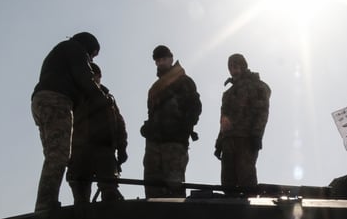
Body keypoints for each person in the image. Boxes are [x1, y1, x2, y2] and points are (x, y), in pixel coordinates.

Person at [31, 31, 103, 212]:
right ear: (89, 48)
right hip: (57, 101)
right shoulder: (76, 50)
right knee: (59, 156)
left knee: (53, 155)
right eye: (93, 56)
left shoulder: (62, 50)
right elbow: (84, 76)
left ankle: (44, 202)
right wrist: (101, 97)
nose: (92, 61)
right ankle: (45, 205)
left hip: (41, 102)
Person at [140, 44, 202, 198]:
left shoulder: (184, 81)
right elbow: (152, 114)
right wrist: (148, 127)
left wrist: (184, 130)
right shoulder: (154, 89)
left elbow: (195, 107)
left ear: (171, 59)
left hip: (174, 142)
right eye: (157, 60)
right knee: (152, 185)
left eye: (163, 59)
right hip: (154, 143)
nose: (160, 63)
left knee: (174, 188)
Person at [67, 62, 128, 205]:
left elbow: (119, 124)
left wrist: (122, 148)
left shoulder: (109, 99)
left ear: (99, 77)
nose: (93, 80)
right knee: (80, 197)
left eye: (95, 76)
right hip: (79, 152)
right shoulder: (75, 96)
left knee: (110, 194)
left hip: (104, 151)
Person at [215, 53, 271, 192]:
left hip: (246, 139)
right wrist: (219, 143)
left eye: (236, 66)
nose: (233, 69)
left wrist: (257, 135)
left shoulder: (256, 86)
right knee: (227, 183)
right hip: (228, 141)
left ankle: (250, 213)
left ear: (243, 66)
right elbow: (223, 121)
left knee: (247, 181)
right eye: (231, 67)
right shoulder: (227, 94)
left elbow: (262, 112)